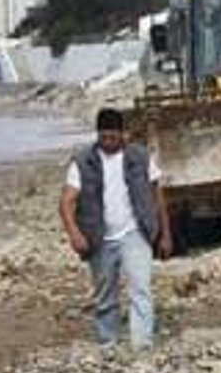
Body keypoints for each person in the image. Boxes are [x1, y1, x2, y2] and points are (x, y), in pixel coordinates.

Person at [60, 109, 174, 350]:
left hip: (135, 233)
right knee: (105, 296)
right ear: (98, 134)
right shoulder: (82, 162)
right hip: (99, 238)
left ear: (123, 134)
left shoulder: (141, 157)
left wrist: (165, 233)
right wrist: (74, 233)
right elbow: (67, 201)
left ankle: (141, 344)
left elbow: (157, 196)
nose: (109, 142)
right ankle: (108, 342)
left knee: (141, 289)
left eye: (114, 137)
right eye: (104, 137)